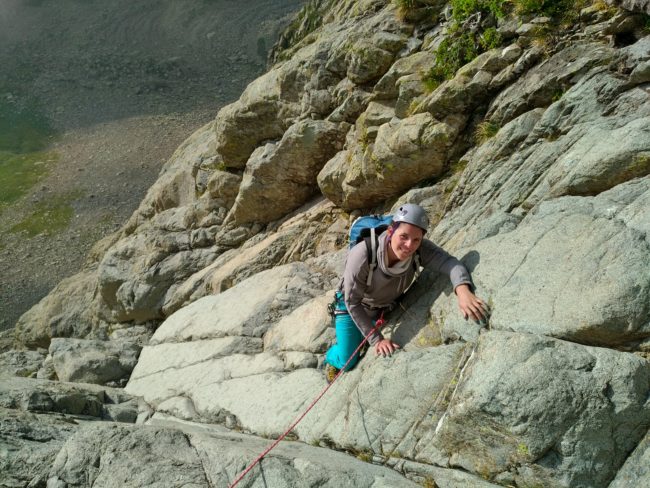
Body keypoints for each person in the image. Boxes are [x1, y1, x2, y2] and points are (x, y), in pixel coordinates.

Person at [324, 203, 488, 383]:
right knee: (347, 361)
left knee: (358, 341)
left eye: (416, 239)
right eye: (403, 236)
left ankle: (358, 337)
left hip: (383, 309)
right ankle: (331, 357)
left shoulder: (420, 250)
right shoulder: (363, 253)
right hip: (351, 308)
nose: (409, 245)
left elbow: (450, 263)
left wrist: (462, 290)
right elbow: (352, 302)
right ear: (390, 231)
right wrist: (377, 340)